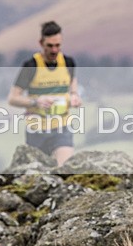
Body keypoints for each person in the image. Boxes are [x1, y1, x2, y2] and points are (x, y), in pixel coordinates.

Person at [8, 21, 83, 166]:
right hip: (36, 129)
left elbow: (74, 92)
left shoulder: (68, 63)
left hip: (62, 127)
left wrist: (75, 98)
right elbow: (12, 99)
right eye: (50, 46)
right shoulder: (31, 66)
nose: (54, 50)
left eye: (58, 45)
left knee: (64, 170)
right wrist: (36, 102)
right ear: (41, 43)